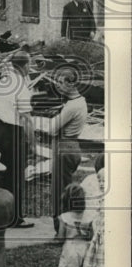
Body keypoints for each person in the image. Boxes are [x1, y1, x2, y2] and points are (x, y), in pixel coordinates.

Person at [0, 51, 34, 227]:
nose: (30, 68)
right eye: (29, 65)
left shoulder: (2, 83)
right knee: (15, 177)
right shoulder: (21, 87)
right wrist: (32, 141)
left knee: (0, 174)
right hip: (13, 132)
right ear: (24, 66)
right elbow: (26, 118)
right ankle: (14, 217)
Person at [45, 82, 88, 232]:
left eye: (61, 84)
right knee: (65, 188)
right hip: (72, 144)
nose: (58, 87)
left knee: (59, 191)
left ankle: (61, 229)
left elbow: (51, 129)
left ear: (70, 84)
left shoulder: (72, 106)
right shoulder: (79, 101)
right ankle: (68, 225)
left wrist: (55, 117)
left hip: (64, 147)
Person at [80, 154, 105, 267]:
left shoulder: (89, 179)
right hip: (99, 225)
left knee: (94, 258)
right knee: (102, 259)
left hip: (89, 222)